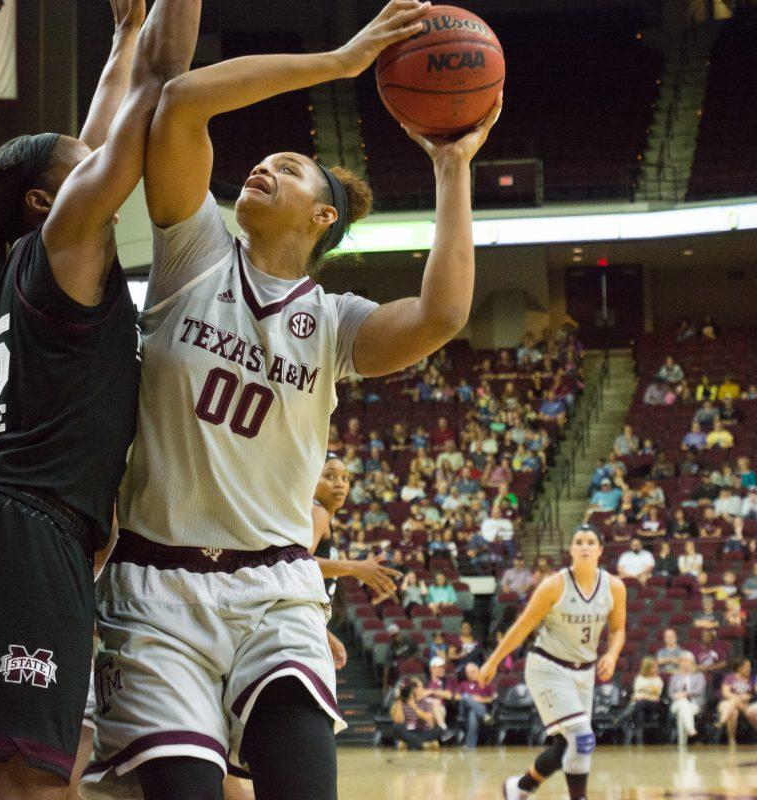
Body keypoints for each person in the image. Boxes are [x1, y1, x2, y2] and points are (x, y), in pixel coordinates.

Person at [87, 1, 500, 796]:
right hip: (154, 590)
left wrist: (453, 167)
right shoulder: (196, 252)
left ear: (321, 216)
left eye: (289, 165)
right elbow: (179, 102)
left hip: (276, 593)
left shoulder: (336, 323)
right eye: (264, 159)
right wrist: (339, 63)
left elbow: (443, 314)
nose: (264, 166)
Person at [0, 2, 200, 797]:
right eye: (82, 163)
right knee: (33, 786)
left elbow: (106, 121)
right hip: (20, 532)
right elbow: (156, 90)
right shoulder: (63, 243)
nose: (97, 160)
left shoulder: (28, 263)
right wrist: (148, 41)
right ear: (49, 201)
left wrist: (120, 34)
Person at [480, 525, 626, 800]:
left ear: (600, 550)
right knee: (583, 738)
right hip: (548, 667)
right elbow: (522, 628)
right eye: (579, 542)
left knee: (564, 748)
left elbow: (618, 630)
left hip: (584, 672)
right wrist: (493, 662)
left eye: (590, 542)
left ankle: (520, 788)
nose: (584, 546)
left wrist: (612, 654)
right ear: (571, 549)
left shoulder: (615, 587)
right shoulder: (554, 585)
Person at [309, 455, 389, 666]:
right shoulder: (318, 512)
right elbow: (296, 566)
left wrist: (325, 635)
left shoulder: (323, 516)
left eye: (345, 478)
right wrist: (354, 567)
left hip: (308, 624)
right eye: (330, 476)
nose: (340, 483)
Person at [390, 678, 444, 750]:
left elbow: (429, 719)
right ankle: (421, 744)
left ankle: (414, 743)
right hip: (408, 732)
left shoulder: (426, 702)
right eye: (414, 687)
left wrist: (414, 707)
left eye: (419, 687)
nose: (418, 689)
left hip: (423, 732)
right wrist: (399, 701)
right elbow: (399, 721)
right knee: (396, 727)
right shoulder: (402, 701)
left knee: (439, 729)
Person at [668, 651, 707, 745]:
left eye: (687, 661)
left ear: (692, 663)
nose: (685, 664)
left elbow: (699, 690)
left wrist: (685, 694)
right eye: (682, 661)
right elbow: (670, 693)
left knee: (683, 710)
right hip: (676, 704)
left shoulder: (699, 676)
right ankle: (691, 729)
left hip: (694, 704)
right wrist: (678, 696)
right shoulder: (675, 677)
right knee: (683, 703)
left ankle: (682, 743)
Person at [715, 658, 756, 746]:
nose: (749, 669)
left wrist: (748, 696)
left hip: (744, 705)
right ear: (739, 668)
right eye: (746, 667)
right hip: (727, 702)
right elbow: (726, 693)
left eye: (749, 666)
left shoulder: (752, 679)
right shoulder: (730, 677)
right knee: (733, 712)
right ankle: (732, 740)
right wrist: (738, 697)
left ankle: (721, 721)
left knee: (734, 702)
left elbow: (753, 694)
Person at [624, 656, 664, 745]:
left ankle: (623, 715)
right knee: (639, 713)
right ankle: (640, 740)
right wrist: (647, 692)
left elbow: (657, 695)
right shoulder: (639, 678)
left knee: (639, 703)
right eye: (654, 667)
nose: (656, 669)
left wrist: (643, 694)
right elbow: (637, 692)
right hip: (640, 704)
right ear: (648, 668)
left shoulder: (658, 679)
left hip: (653, 705)